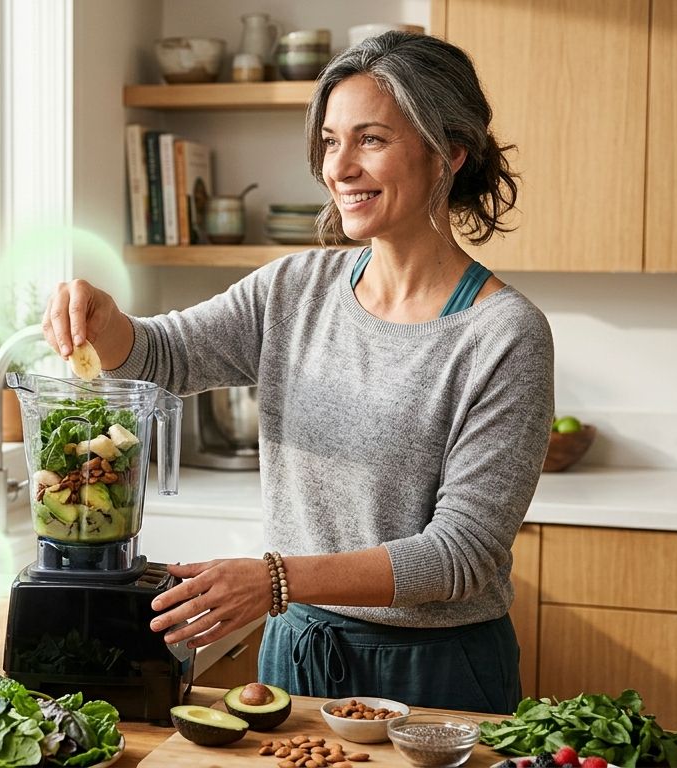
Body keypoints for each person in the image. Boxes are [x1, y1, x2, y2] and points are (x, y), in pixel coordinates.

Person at [40, 31, 553, 714]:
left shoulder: (504, 335)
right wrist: (104, 321)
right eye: (330, 141)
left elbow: (461, 554)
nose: (340, 167)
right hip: (299, 650)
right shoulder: (293, 289)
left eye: (370, 139)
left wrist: (277, 579)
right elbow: (164, 357)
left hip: (436, 675)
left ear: (449, 154)